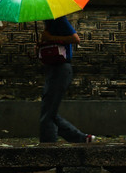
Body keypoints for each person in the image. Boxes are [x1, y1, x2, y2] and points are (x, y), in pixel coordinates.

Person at [39, 15, 95, 143]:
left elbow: (75, 39)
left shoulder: (58, 19)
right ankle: (81, 138)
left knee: (47, 114)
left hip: (61, 69)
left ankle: (48, 148)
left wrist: (50, 38)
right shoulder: (48, 22)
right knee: (48, 112)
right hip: (53, 68)